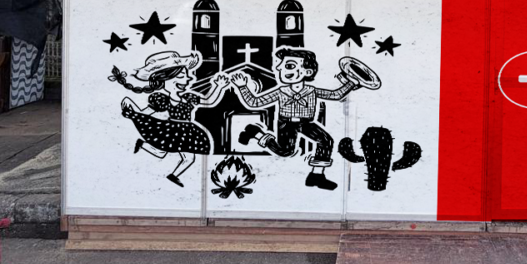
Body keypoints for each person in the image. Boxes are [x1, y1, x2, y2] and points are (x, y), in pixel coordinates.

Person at [232, 47, 358, 191]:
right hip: (286, 124)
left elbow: (335, 95)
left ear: (307, 72)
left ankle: (316, 176)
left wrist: (352, 83)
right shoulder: (281, 92)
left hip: (306, 123)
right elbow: (255, 103)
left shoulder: (312, 91)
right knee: (285, 151)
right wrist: (242, 87)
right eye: (281, 66)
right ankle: (256, 132)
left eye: (289, 66)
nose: (280, 69)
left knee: (325, 140)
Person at [110, 51, 228, 187]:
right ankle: (143, 145)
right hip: (170, 131)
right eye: (182, 76)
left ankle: (171, 174)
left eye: (187, 75)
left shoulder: (188, 97)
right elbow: (145, 113)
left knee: (188, 158)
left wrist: (219, 86)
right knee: (163, 154)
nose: (189, 79)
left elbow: (209, 101)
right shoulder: (161, 99)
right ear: (166, 79)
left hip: (187, 131)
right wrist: (132, 112)